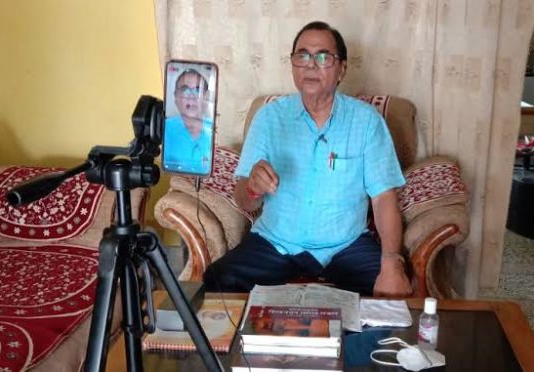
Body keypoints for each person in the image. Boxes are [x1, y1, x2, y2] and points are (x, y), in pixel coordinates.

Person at [203, 21, 412, 297]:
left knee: (394, 292)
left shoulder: (366, 121)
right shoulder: (269, 118)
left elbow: (384, 198)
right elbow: (244, 199)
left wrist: (391, 263)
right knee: (217, 281)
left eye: (323, 56)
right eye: (302, 56)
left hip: (345, 245)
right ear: (293, 65)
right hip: (276, 242)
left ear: (341, 69)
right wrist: (253, 186)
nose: (311, 65)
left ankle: (349, 342)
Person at [163, 68, 214, 174]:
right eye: (185, 90)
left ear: (206, 97)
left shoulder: (215, 130)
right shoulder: (163, 129)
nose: (191, 97)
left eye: (197, 90)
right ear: (176, 98)